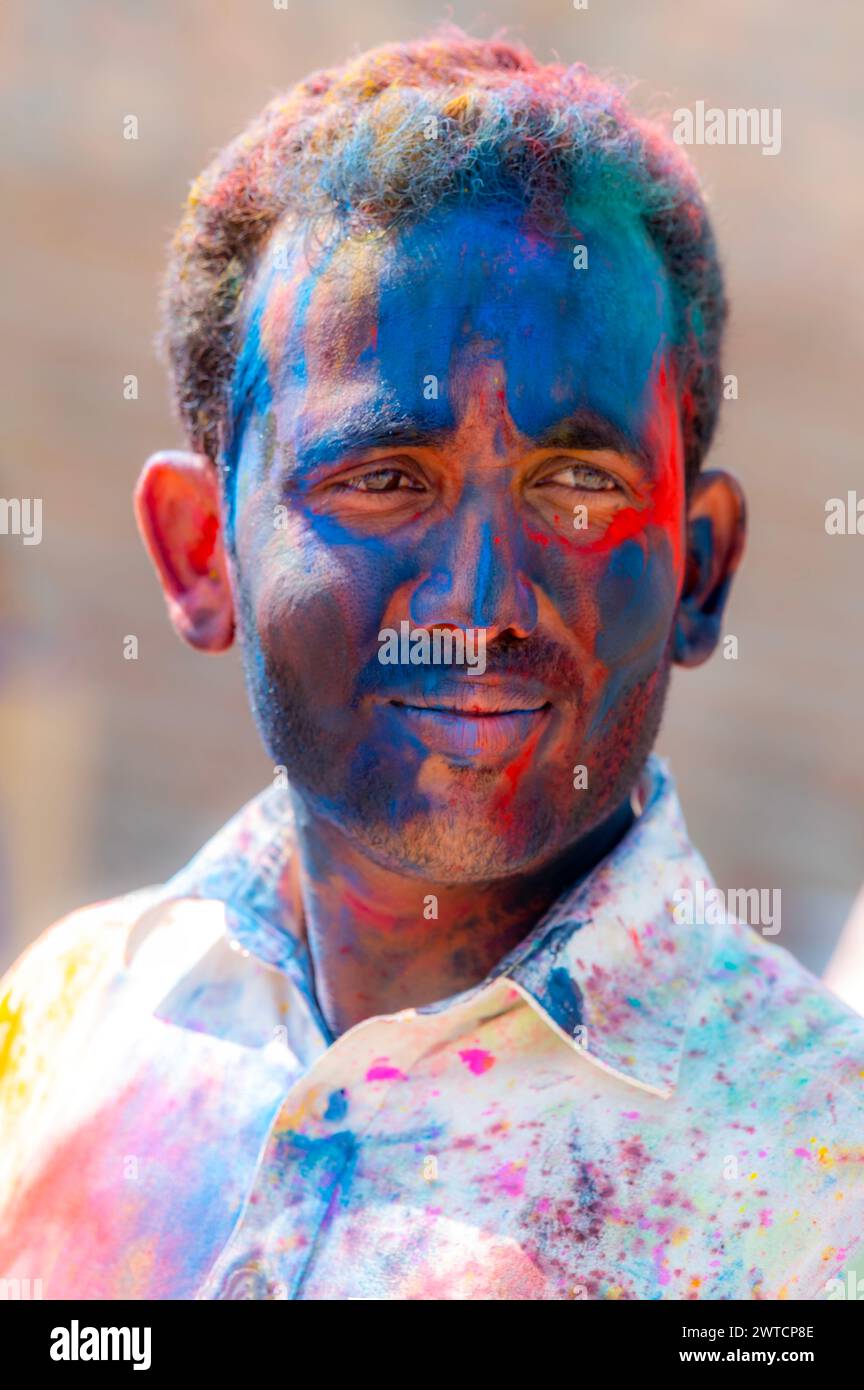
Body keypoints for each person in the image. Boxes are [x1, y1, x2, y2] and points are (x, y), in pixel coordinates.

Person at [2, 28, 862, 1301]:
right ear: (200, 556)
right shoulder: (68, 1022)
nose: (482, 601)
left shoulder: (820, 1177)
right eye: (386, 478)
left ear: (699, 569)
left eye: (576, 483)